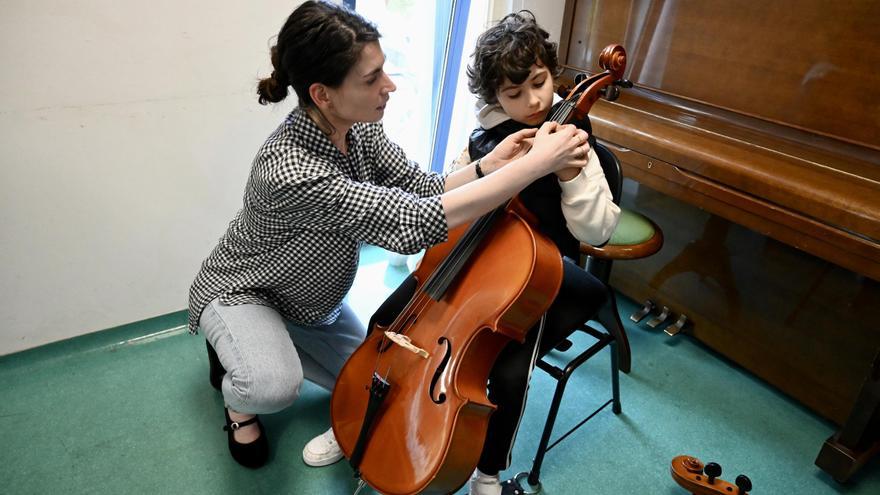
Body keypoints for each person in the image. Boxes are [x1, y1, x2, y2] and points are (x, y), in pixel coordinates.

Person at [187, 1, 592, 470]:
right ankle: (237, 398)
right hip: (245, 290)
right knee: (274, 387)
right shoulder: (291, 170)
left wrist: (489, 165)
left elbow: (421, 186)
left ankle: (269, 346)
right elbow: (410, 223)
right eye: (371, 79)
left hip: (312, 303)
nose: (390, 86)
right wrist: (531, 167)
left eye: (385, 70)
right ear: (323, 94)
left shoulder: (357, 129)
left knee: (382, 380)